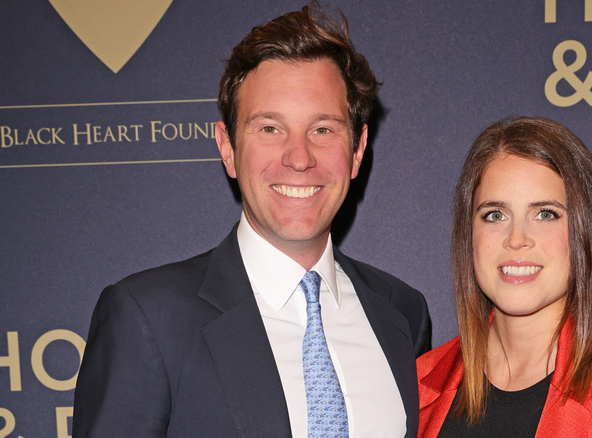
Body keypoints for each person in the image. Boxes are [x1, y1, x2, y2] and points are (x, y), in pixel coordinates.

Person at [73, 4, 430, 437]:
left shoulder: (401, 314)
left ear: (357, 150)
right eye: (269, 128)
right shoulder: (148, 318)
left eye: (323, 129)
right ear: (228, 148)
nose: (299, 158)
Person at [416, 117, 592, 437]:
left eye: (545, 214)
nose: (517, 238)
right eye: (495, 215)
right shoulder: (418, 383)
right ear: (470, 234)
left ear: (584, 232)